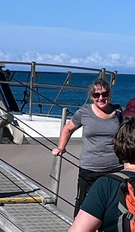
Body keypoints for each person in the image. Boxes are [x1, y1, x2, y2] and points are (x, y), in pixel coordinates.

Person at [51, 79, 122, 213]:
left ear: (109, 94)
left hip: (115, 168)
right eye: (96, 95)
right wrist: (61, 147)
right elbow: (68, 129)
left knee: (112, 206)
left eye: (104, 94)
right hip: (90, 169)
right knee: (84, 206)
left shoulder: (118, 113)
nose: (101, 98)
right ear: (91, 97)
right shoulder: (84, 112)